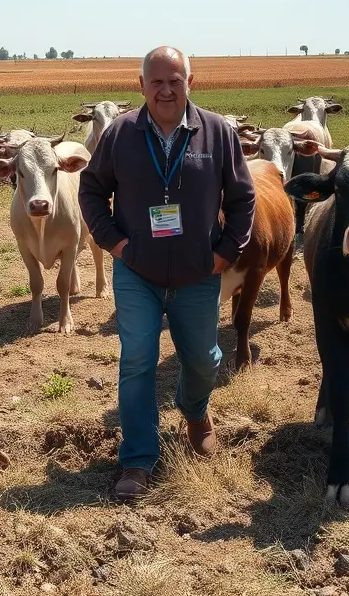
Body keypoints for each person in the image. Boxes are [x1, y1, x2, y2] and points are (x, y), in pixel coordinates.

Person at [78, 45, 256, 502]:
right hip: (137, 270)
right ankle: (138, 457)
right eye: (156, 81)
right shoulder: (119, 134)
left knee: (203, 359)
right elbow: (92, 191)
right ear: (141, 86)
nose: (166, 89)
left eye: (175, 80)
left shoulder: (217, 132)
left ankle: (195, 410)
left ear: (190, 83)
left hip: (199, 272)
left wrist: (224, 252)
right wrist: (115, 244)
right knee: (137, 358)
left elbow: (242, 199)